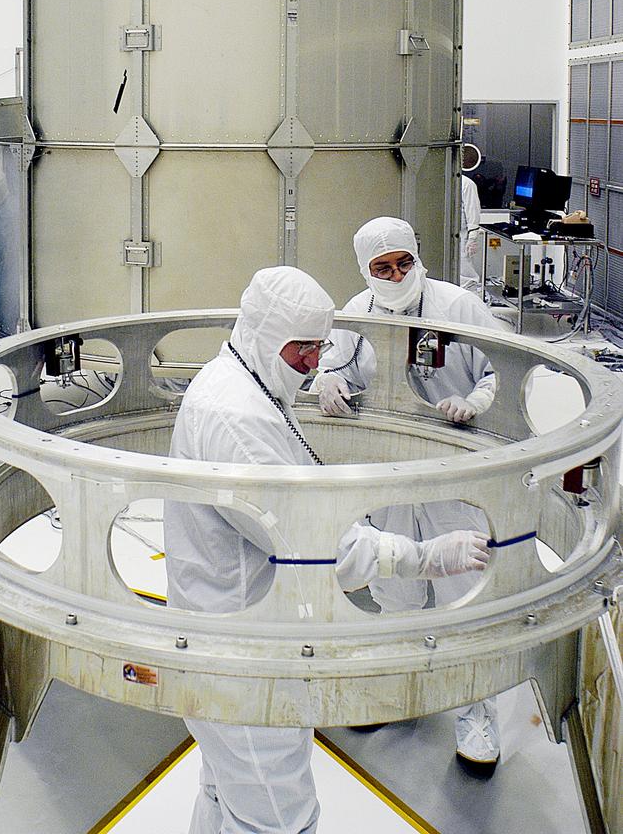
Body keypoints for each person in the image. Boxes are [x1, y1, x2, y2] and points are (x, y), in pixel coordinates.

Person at [164, 266, 490, 833]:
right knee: (278, 818)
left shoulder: (245, 379)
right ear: (267, 335)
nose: (315, 362)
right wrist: (424, 557)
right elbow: (314, 544)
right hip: (246, 664)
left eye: (320, 347)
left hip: (226, 640)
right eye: (304, 349)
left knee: (224, 793)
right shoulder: (237, 418)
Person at [313, 217, 505, 774]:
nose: (396, 275)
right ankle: (393, 690)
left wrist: (477, 402)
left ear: (418, 258)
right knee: (393, 587)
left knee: (464, 594)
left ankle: (476, 714)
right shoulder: (357, 313)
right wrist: (327, 380)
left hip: (454, 473)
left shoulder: (457, 306)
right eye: (382, 268)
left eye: (403, 263)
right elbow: (336, 366)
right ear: (365, 270)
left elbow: (502, 370)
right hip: (389, 471)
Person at [460, 173, 482, 289]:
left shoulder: (466, 184)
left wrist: (472, 238)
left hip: (462, 236)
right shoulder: (439, 182)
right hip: (442, 235)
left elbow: (473, 211)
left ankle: (470, 295)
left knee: (466, 275)